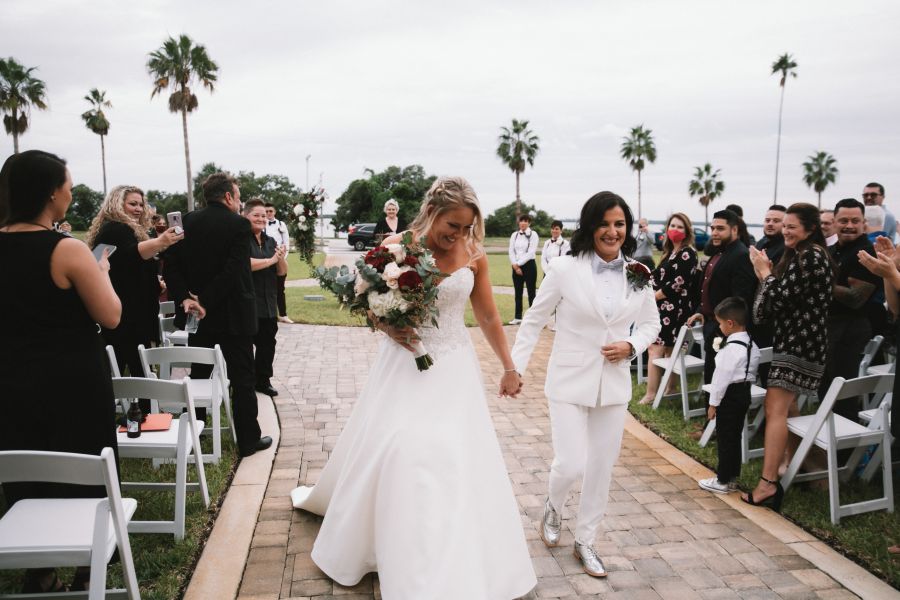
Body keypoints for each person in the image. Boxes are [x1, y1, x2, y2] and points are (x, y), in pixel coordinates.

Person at [291, 177, 536, 599]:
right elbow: (367, 303)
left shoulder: (474, 255)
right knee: (401, 446)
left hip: (453, 366)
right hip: (404, 363)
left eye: (465, 228)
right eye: (452, 225)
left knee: (449, 453)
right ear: (433, 212)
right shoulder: (397, 247)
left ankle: (447, 547)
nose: (458, 235)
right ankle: (386, 542)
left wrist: (509, 366)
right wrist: (387, 323)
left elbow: (490, 318)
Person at [511, 192, 660, 577]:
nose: (612, 232)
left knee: (601, 467)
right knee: (571, 462)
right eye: (605, 224)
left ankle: (586, 540)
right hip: (567, 379)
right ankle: (553, 505)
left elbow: (651, 325)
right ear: (591, 226)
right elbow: (533, 319)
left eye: (620, 224)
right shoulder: (563, 269)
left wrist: (632, 345)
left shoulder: (640, 272)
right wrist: (516, 368)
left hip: (612, 386)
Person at [0, 150, 122, 593]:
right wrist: (101, 272)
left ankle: (40, 569)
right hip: (72, 382)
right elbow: (110, 316)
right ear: (52, 191)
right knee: (83, 465)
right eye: (68, 184)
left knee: (26, 465)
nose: (71, 191)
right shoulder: (66, 249)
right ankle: (89, 567)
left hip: (10, 381)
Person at [163, 172, 273, 458]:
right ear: (227, 197)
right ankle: (248, 439)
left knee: (199, 372)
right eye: (237, 197)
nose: (239, 203)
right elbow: (235, 270)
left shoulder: (185, 222)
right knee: (243, 378)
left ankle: (195, 433)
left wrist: (187, 299)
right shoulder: (239, 224)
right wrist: (206, 301)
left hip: (197, 317)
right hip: (235, 315)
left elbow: (170, 267)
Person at [742, 203, 834, 511]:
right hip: (794, 341)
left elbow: (778, 299)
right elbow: (771, 304)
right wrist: (768, 274)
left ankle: (768, 484)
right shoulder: (802, 255)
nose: (786, 231)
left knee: (775, 407)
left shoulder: (812, 257)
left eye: (792, 226)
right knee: (786, 408)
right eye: (785, 226)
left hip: (800, 344)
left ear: (810, 229)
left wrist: (764, 273)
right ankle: (799, 468)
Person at [86, 185, 183, 404]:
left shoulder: (128, 231)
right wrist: (160, 242)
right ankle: (140, 418)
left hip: (132, 314)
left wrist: (154, 281)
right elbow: (130, 255)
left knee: (133, 370)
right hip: (125, 317)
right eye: (132, 204)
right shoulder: (116, 228)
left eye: (141, 204)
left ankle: (139, 416)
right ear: (117, 204)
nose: (139, 208)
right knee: (130, 371)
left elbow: (126, 266)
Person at [818, 198, 880, 420]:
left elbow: (855, 298)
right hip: (828, 326)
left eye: (855, 220)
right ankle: (826, 440)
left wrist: (821, 282)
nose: (849, 225)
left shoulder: (866, 253)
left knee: (842, 393)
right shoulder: (831, 249)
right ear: (834, 222)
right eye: (843, 220)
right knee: (825, 388)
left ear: (864, 223)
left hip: (850, 329)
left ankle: (846, 452)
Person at [687, 209, 757, 383]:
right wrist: (701, 311)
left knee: (719, 376)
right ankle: (710, 408)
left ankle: (715, 409)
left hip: (726, 328)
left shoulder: (741, 255)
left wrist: (723, 326)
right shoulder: (720, 252)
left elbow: (741, 298)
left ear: (734, 230)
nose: (715, 233)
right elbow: (711, 288)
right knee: (711, 373)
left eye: (720, 228)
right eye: (713, 228)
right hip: (711, 323)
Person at [698, 297, 760, 494]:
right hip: (744, 393)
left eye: (720, 323)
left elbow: (721, 378)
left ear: (730, 323)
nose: (720, 327)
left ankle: (722, 480)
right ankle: (732, 477)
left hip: (729, 395)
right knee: (734, 436)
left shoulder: (730, 349)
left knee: (725, 438)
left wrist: (713, 404)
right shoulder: (751, 343)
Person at [640, 212, 700, 404]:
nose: (675, 230)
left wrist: (654, 297)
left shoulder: (687, 253)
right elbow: (656, 276)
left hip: (676, 308)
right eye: (673, 226)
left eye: (680, 227)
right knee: (667, 350)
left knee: (656, 348)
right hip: (662, 307)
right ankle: (670, 388)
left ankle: (651, 394)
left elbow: (678, 282)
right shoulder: (669, 252)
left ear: (687, 231)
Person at [245, 200, 288, 397]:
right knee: (245, 348)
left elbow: (281, 272)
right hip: (248, 302)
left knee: (267, 345)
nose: (262, 219)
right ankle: (244, 382)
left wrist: (279, 259)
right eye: (257, 215)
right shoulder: (241, 240)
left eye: (264, 216)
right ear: (246, 216)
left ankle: (263, 381)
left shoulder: (270, 241)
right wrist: (270, 260)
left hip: (268, 302)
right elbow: (245, 264)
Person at [264, 202, 293, 324]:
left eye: (271, 211)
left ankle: (283, 314)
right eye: (267, 211)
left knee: (280, 289)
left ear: (274, 212)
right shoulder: (261, 223)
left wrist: (282, 258)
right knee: (265, 288)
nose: (268, 213)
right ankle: (267, 315)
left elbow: (286, 242)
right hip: (265, 260)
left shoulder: (281, 224)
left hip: (280, 259)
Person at [508, 213, 539, 324]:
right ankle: (518, 317)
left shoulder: (533, 234)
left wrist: (518, 264)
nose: (523, 223)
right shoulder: (514, 235)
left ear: (529, 223)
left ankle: (533, 318)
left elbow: (531, 252)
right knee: (518, 292)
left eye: (526, 221)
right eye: (521, 221)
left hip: (529, 265)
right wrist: (514, 264)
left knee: (531, 293)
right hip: (515, 265)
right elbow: (511, 251)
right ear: (519, 222)